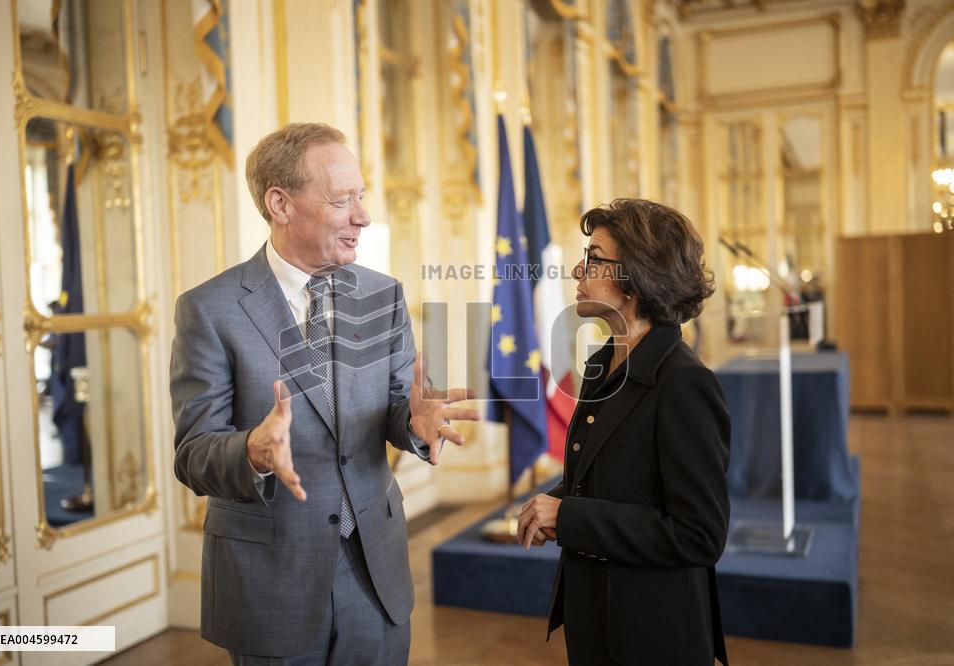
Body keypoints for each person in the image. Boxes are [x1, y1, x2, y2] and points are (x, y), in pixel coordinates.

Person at [170, 122, 479, 665]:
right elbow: (194, 454)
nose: (362, 215)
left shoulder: (383, 295)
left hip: (373, 572)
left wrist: (414, 421)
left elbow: (395, 407)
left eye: (361, 197)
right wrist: (253, 452)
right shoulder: (209, 310)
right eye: (342, 201)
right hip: (272, 579)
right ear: (280, 204)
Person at [516, 198, 731, 665]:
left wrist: (567, 516)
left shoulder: (683, 382)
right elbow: (608, 474)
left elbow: (699, 534)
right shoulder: (601, 366)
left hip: (656, 630)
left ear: (636, 277)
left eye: (594, 258)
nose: (578, 269)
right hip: (597, 615)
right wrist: (548, 503)